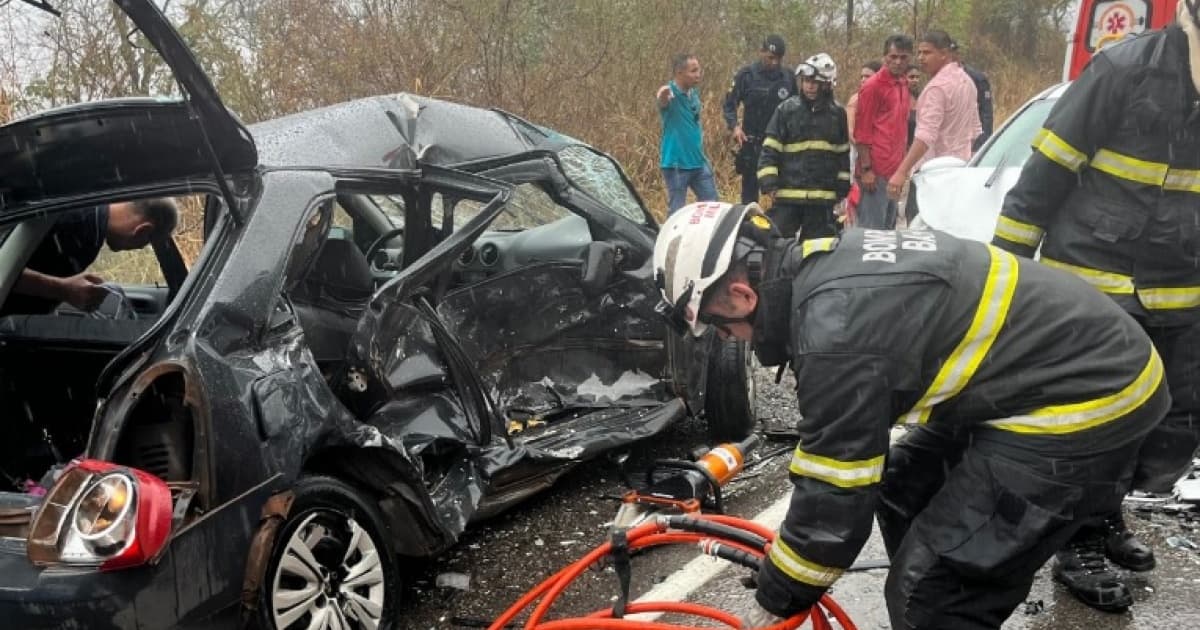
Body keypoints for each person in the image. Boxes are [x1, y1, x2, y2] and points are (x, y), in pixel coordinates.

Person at [654, 201, 1168, 629]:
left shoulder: (834, 334)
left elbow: (835, 494)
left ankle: (953, 594)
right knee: (903, 484)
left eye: (721, 329)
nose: (729, 341)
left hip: (1089, 401)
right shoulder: (825, 266)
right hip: (1052, 374)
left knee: (930, 596)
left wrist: (779, 594)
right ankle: (967, 576)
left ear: (743, 296)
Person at [990, 0, 1200, 613]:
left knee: (1169, 424)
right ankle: (1073, 541)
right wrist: (1008, 286)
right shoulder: (1122, 73)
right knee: (1092, 426)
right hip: (1093, 288)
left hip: (1180, 291)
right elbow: (1041, 180)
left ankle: (1104, 515)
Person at [2, 198, 179, 315]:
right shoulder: (77, 224)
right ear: (143, 230)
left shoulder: (91, 226)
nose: (140, 249)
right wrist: (61, 289)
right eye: (145, 243)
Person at [887, 31, 981, 225]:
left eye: (927, 53)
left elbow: (925, 137)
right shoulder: (967, 81)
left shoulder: (937, 88)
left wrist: (901, 172)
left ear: (944, 54)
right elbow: (975, 131)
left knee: (920, 238)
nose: (921, 58)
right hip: (961, 172)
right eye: (919, 53)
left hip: (932, 177)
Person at [756, 53, 850, 239]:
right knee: (773, 243)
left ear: (828, 84)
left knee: (818, 251)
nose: (809, 86)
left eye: (815, 82)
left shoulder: (837, 114)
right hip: (787, 196)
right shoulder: (786, 110)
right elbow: (770, 149)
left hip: (821, 201)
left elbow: (842, 154)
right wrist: (769, 183)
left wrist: (842, 188)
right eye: (806, 81)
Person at [723, 34, 796, 204]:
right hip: (752, 143)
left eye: (778, 59)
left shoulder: (788, 78)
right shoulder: (746, 75)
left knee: (781, 192)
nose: (774, 63)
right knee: (749, 196)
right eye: (770, 58)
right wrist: (735, 127)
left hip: (779, 143)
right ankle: (749, 227)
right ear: (761, 52)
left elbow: (796, 109)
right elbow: (729, 105)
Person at [852, 34, 912, 229]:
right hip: (875, 174)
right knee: (870, 237)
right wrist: (867, 170)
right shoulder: (873, 86)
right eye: (893, 57)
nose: (897, 62)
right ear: (885, 57)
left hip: (894, 172)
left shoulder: (903, 84)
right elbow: (862, 132)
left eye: (903, 57)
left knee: (888, 234)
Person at [657, 53, 718, 214]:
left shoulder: (693, 94)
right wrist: (662, 94)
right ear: (679, 73)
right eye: (693, 71)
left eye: (698, 70)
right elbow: (662, 99)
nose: (698, 74)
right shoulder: (671, 95)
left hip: (698, 161)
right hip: (677, 164)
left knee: (712, 206)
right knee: (677, 211)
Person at [844, 61, 881, 140]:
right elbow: (850, 131)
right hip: (859, 146)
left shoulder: (884, 98)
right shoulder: (856, 99)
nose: (863, 80)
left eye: (867, 76)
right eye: (862, 77)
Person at [905, 64, 921, 149]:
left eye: (917, 77)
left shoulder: (922, 98)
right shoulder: (899, 99)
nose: (915, 80)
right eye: (911, 77)